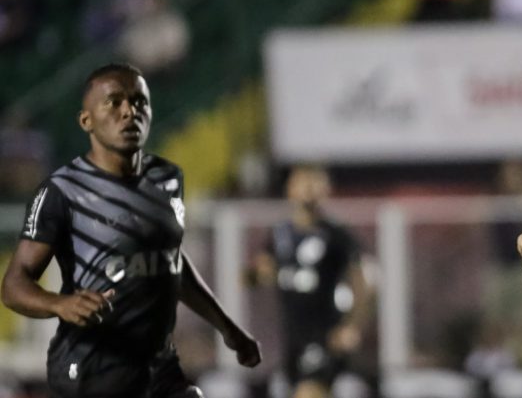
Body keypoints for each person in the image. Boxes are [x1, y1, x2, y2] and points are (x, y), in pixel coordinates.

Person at [0, 63, 261, 398]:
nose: (129, 112)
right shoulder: (61, 191)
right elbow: (13, 285)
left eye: (140, 102)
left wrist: (228, 328)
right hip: (91, 365)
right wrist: (60, 304)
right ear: (86, 121)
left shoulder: (167, 180)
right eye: (115, 102)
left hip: (156, 365)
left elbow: (171, 263)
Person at [248, 165, 371, 398]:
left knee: (309, 392)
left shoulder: (336, 234)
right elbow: (261, 269)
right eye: (303, 183)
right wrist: (254, 276)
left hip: (325, 333)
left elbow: (362, 281)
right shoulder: (280, 233)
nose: (308, 189)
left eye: (314, 183)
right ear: (290, 189)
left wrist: (352, 325)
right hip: (292, 334)